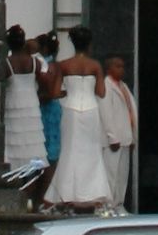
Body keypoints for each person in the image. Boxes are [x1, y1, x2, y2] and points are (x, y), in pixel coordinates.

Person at [39, 24, 117, 213]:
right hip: (90, 111)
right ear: (89, 44)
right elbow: (101, 92)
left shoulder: (64, 65)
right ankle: (93, 193)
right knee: (91, 152)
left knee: (70, 150)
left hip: (71, 110)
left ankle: (67, 192)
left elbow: (55, 92)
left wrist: (68, 91)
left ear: (73, 43)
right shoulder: (95, 65)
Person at [3, 29, 50, 199]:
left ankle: (17, 196)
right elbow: (46, 85)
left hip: (13, 110)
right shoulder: (35, 63)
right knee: (33, 153)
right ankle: (30, 198)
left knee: (14, 152)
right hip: (31, 110)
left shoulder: (6, 63)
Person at [101, 50, 139, 212]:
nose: (122, 69)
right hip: (114, 139)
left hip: (126, 137)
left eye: (123, 66)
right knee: (111, 173)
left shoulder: (123, 86)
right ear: (109, 69)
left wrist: (133, 138)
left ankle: (119, 204)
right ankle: (108, 205)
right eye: (118, 66)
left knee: (122, 175)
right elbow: (106, 113)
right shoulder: (106, 86)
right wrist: (112, 137)